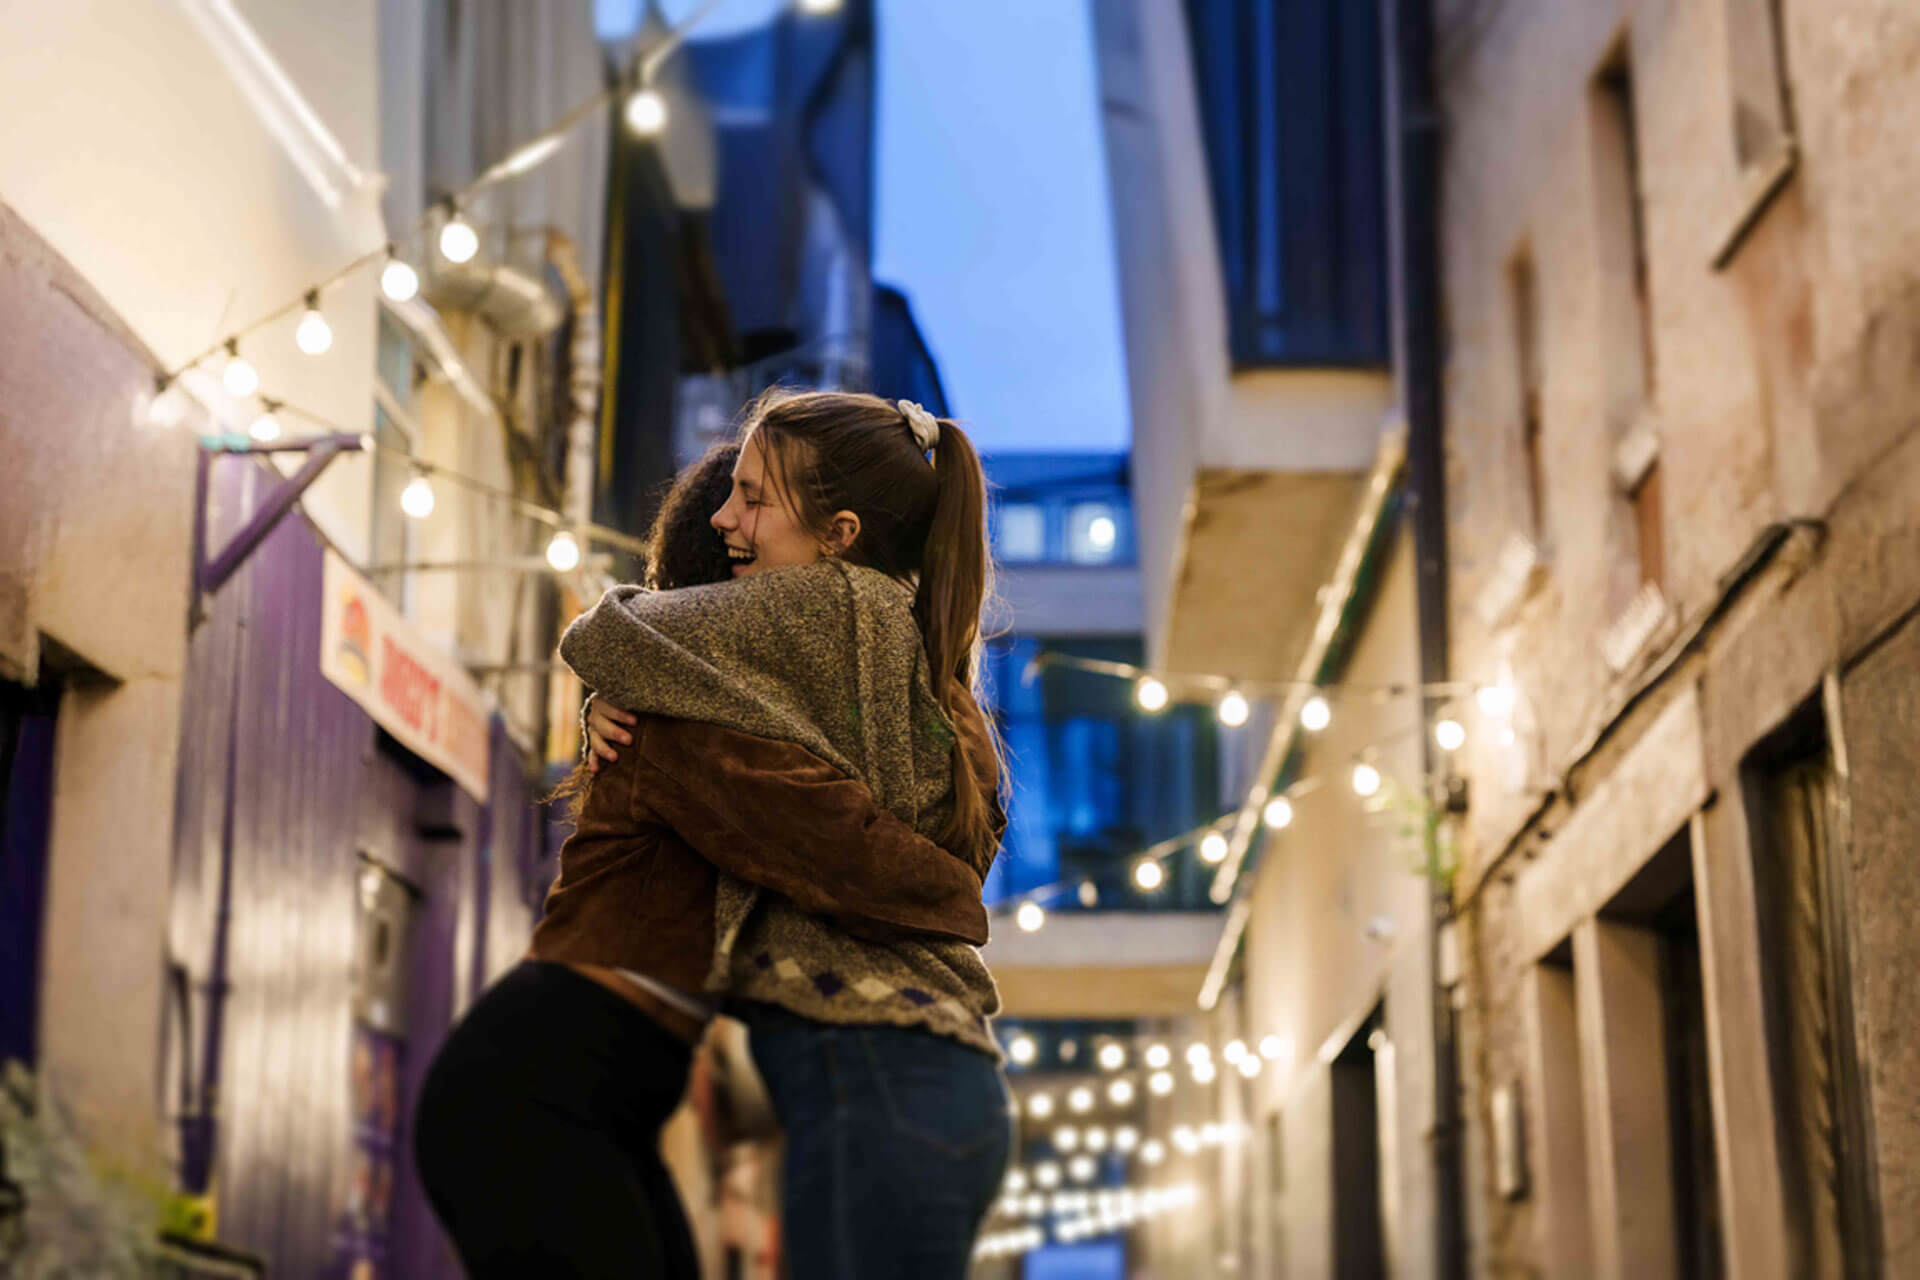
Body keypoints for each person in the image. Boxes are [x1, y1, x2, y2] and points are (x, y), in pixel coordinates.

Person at [413, 441, 993, 1279]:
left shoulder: (728, 714)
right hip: (532, 1091)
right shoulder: (691, 726)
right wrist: (962, 902)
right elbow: (841, 853)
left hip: (597, 1096)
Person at [571, 390, 1013, 1279]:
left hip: (872, 1070)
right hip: (940, 1077)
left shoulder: (828, 603)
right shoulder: (918, 651)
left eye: (754, 498)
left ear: (841, 533)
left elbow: (605, 636)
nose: (727, 519)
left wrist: (628, 690)